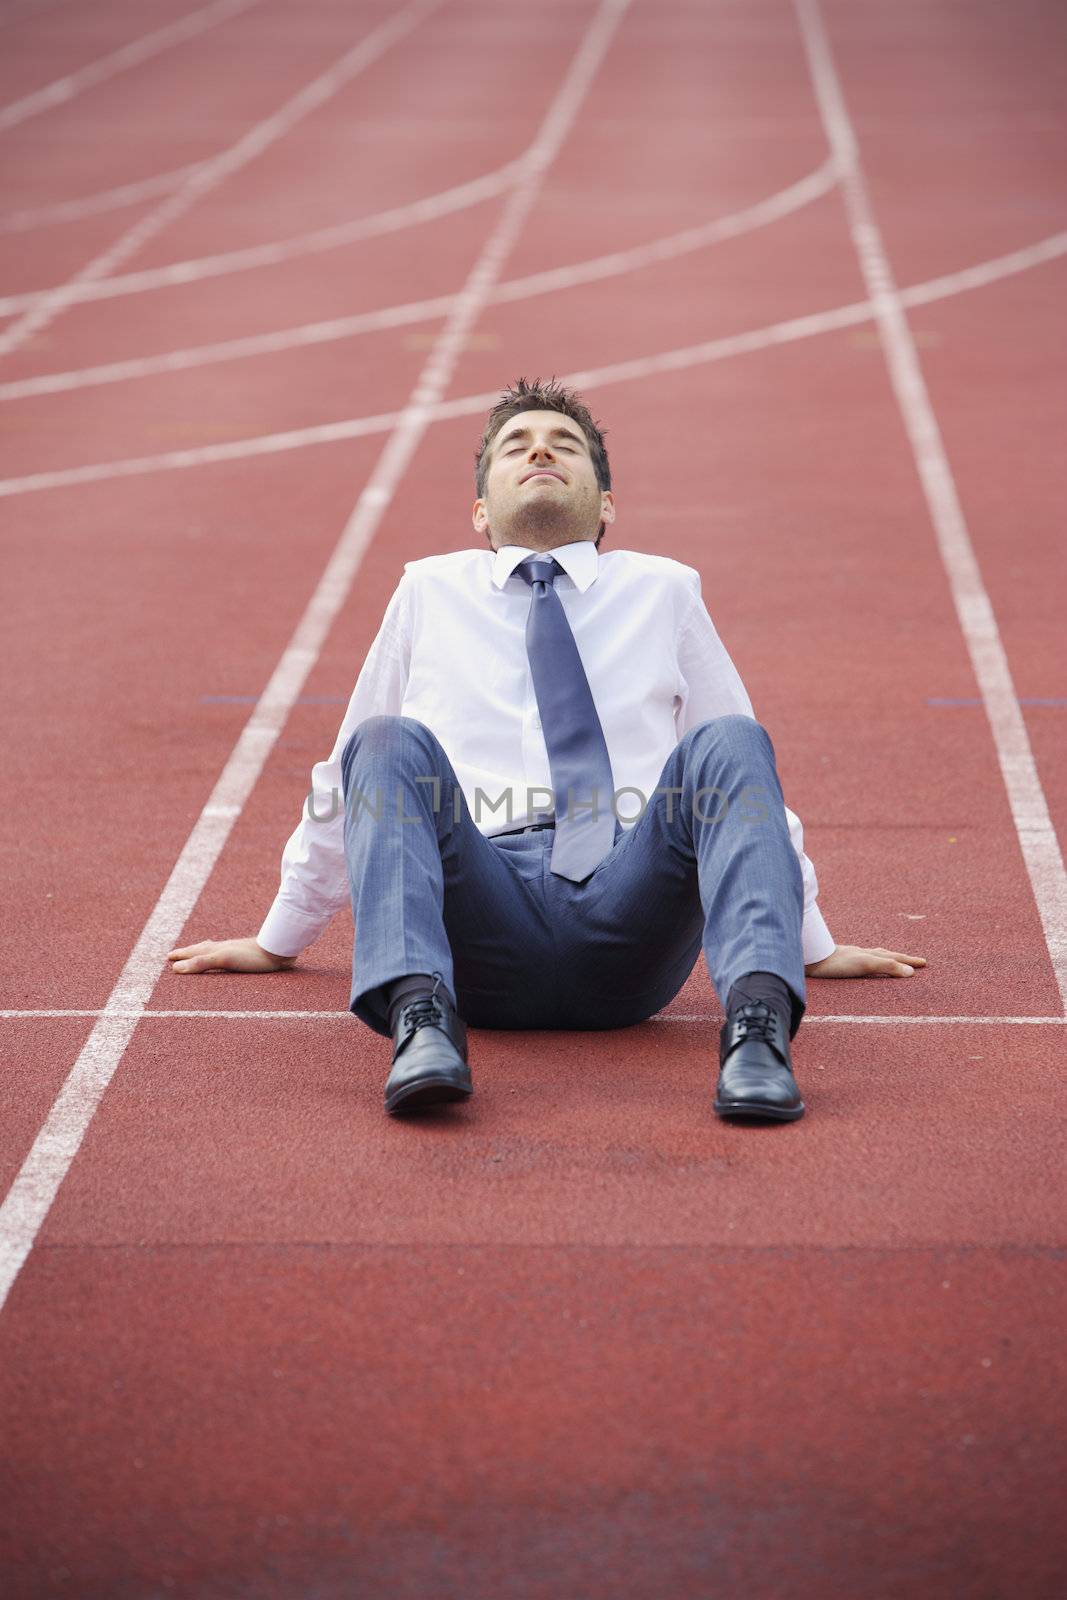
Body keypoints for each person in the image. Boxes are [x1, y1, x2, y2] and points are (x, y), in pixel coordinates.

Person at [169, 377, 926, 1120]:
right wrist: (282, 935)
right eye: (515, 447)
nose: (540, 452)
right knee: (384, 738)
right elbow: (349, 775)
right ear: (478, 509)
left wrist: (809, 942)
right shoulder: (427, 592)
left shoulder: (664, 590)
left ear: (604, 504)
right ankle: (420, 1024)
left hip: (629, 913)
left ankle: (757, 1035)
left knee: (729, 739)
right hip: (480, 920)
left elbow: (745, 784)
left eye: (564, 444)